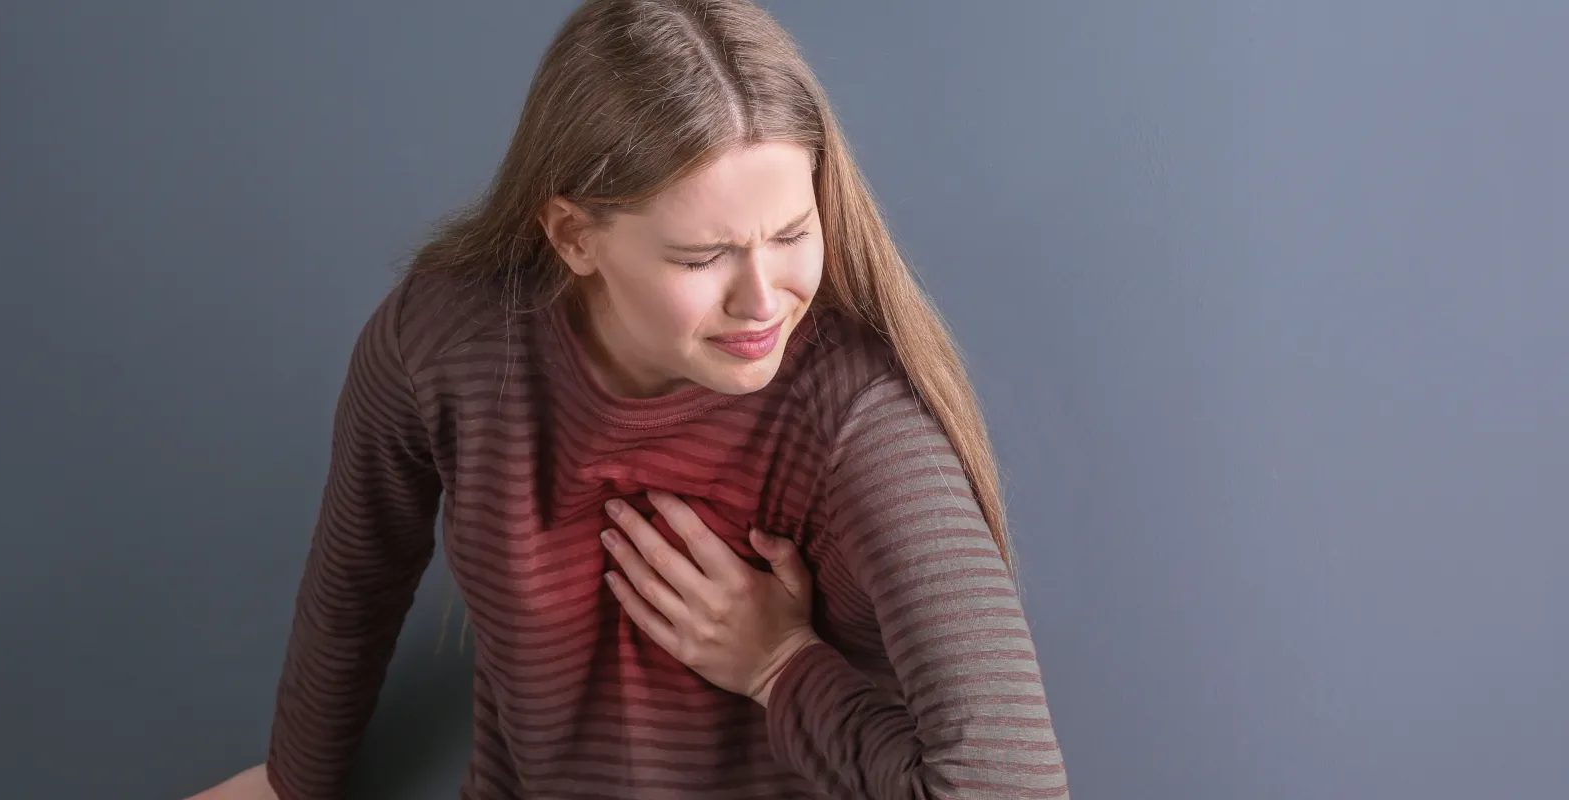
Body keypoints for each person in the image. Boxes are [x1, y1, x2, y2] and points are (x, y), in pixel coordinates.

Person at [192, 1, 1068, 797]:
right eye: (702, 257)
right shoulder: (442, 343)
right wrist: (290, 783)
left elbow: (1010, 789)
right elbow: (358, 578)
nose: (764, 300)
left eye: (794, 234)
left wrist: (781, 669)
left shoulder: (856, 422)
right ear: (574, 235)